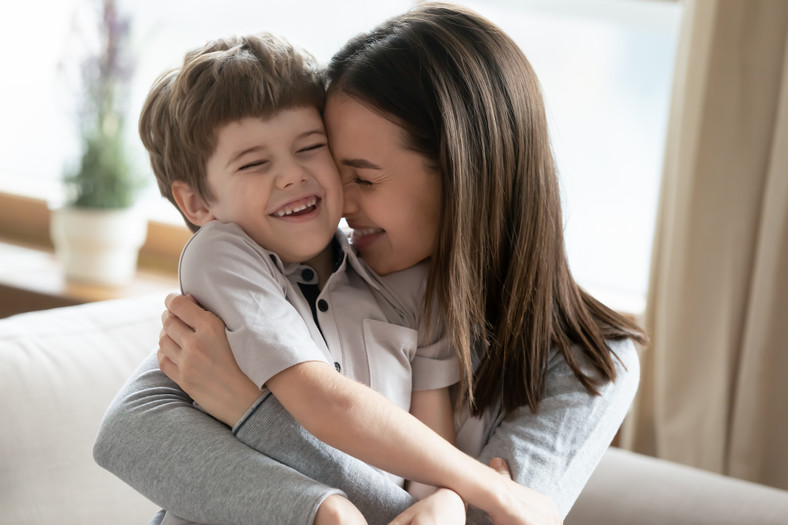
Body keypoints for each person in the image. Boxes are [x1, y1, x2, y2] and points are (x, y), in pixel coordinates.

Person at [94, 3, 645, 524]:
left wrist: (254, 412)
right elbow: (131, 432)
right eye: (337, 167)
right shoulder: (302, 267)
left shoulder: (588, 366)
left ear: (461, 174)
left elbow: (485, 518)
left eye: (362, 176)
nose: (339, 203)